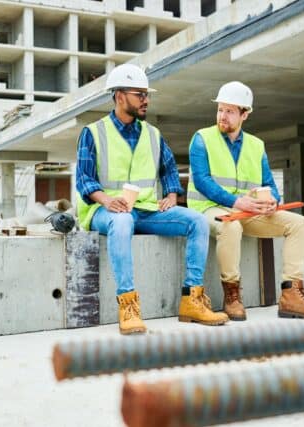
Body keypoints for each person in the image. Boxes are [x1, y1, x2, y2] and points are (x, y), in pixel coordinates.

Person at [75, 64, 228, 335]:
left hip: (146, 209)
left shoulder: (153, 134)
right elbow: (84, 179)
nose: (146, 100)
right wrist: (107, 201)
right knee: (121, 222)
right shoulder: (93, 132)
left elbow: (168, 167)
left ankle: (192, 300)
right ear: (120, 96)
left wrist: (171, 194)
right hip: (105, 211)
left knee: (196, 222)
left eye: (147, 94)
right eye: (139, 94)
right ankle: (128, 305)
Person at [187, 81, 304, 320]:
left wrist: (272, 202)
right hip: (210, 209)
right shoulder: (202, 138)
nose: (222, 116)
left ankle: (291, 296)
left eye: (230, 111)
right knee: (230, 225)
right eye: (220, 109)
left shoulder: (256, 145)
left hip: (248, 211)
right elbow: (203, 182)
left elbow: (269, 185)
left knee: (298, 223)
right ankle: (232, 295)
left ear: (245, 114)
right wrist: (237, 202)